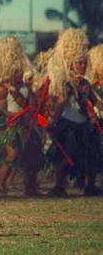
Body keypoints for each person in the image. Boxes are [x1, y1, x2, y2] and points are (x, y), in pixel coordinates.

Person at [46, 29, 101, 197]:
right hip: (68, 125)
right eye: (79, 63)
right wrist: (53, 122)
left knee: (91, 154)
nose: (83, 66)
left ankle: (90, 186)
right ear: (70, 64)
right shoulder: (66, 83)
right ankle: (59, 187)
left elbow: (96, 102)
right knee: (65, 156)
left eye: (84, 63)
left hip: (83, 125)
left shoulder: (86, 83)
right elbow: (61, 102)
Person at [0, 37, 43, 196]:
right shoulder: (1, 88)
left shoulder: (26, 86)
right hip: (11, 127)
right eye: (17, 71)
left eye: (21, 70)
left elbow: (31, 105)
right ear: (10, 71)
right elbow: (0, 110)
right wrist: (13, 116)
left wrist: (25, 103)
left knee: (33, 155)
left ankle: (31, 186)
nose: (20, 73)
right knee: (12, 155)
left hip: (27, 126)